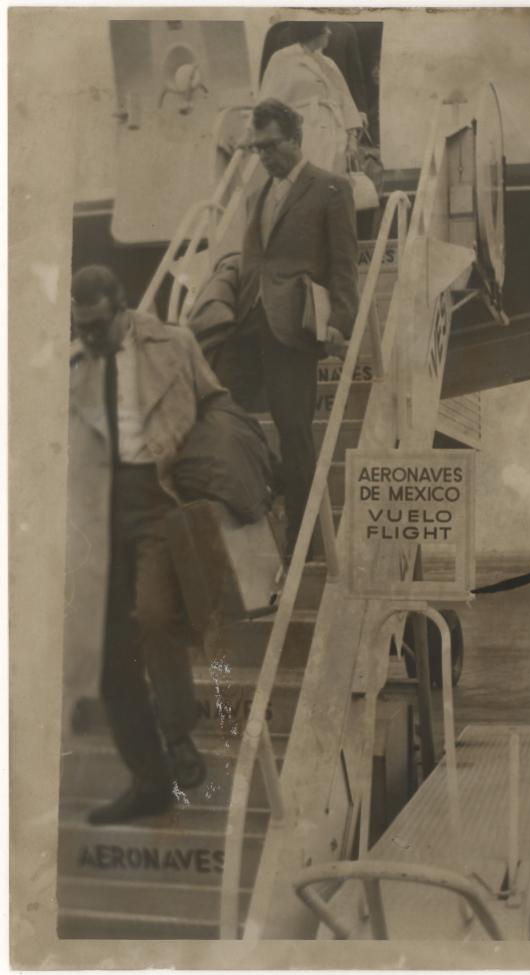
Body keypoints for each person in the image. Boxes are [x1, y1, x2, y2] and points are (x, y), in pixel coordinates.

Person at [67, 265, 233, 825]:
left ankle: (179, 734)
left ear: (122, 311)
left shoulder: (174, 345)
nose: (87, 337)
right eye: (79, 327)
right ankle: (148, 778)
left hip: (156, 498)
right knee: (108, 656)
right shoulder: (74, 369)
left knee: (157, 616)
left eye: (95, 326)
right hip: (97, 510)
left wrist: (216, 479)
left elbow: (215, 404)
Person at [215, 99, 358, 562]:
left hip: (292, 328)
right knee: (222, 411)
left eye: (271, 146)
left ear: (295, 139)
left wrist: (339, 323)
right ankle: (269, 485)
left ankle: (305, 538)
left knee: (294, 429)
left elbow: (343, 266)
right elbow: (251, 259)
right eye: (257, 149)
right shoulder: (258, 193)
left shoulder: (331, 188)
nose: (264, 157)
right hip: (248, 322)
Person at [258, 23, 363, 174]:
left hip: (334, 131)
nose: (329, 32)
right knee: (307, 178)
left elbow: (345, 99)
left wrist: (351, 137)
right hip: (303, 131)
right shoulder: (282, 58)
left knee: (334, 178)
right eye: (325, 28)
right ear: (312, 32)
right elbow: (267, 101)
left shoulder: (328, 63)